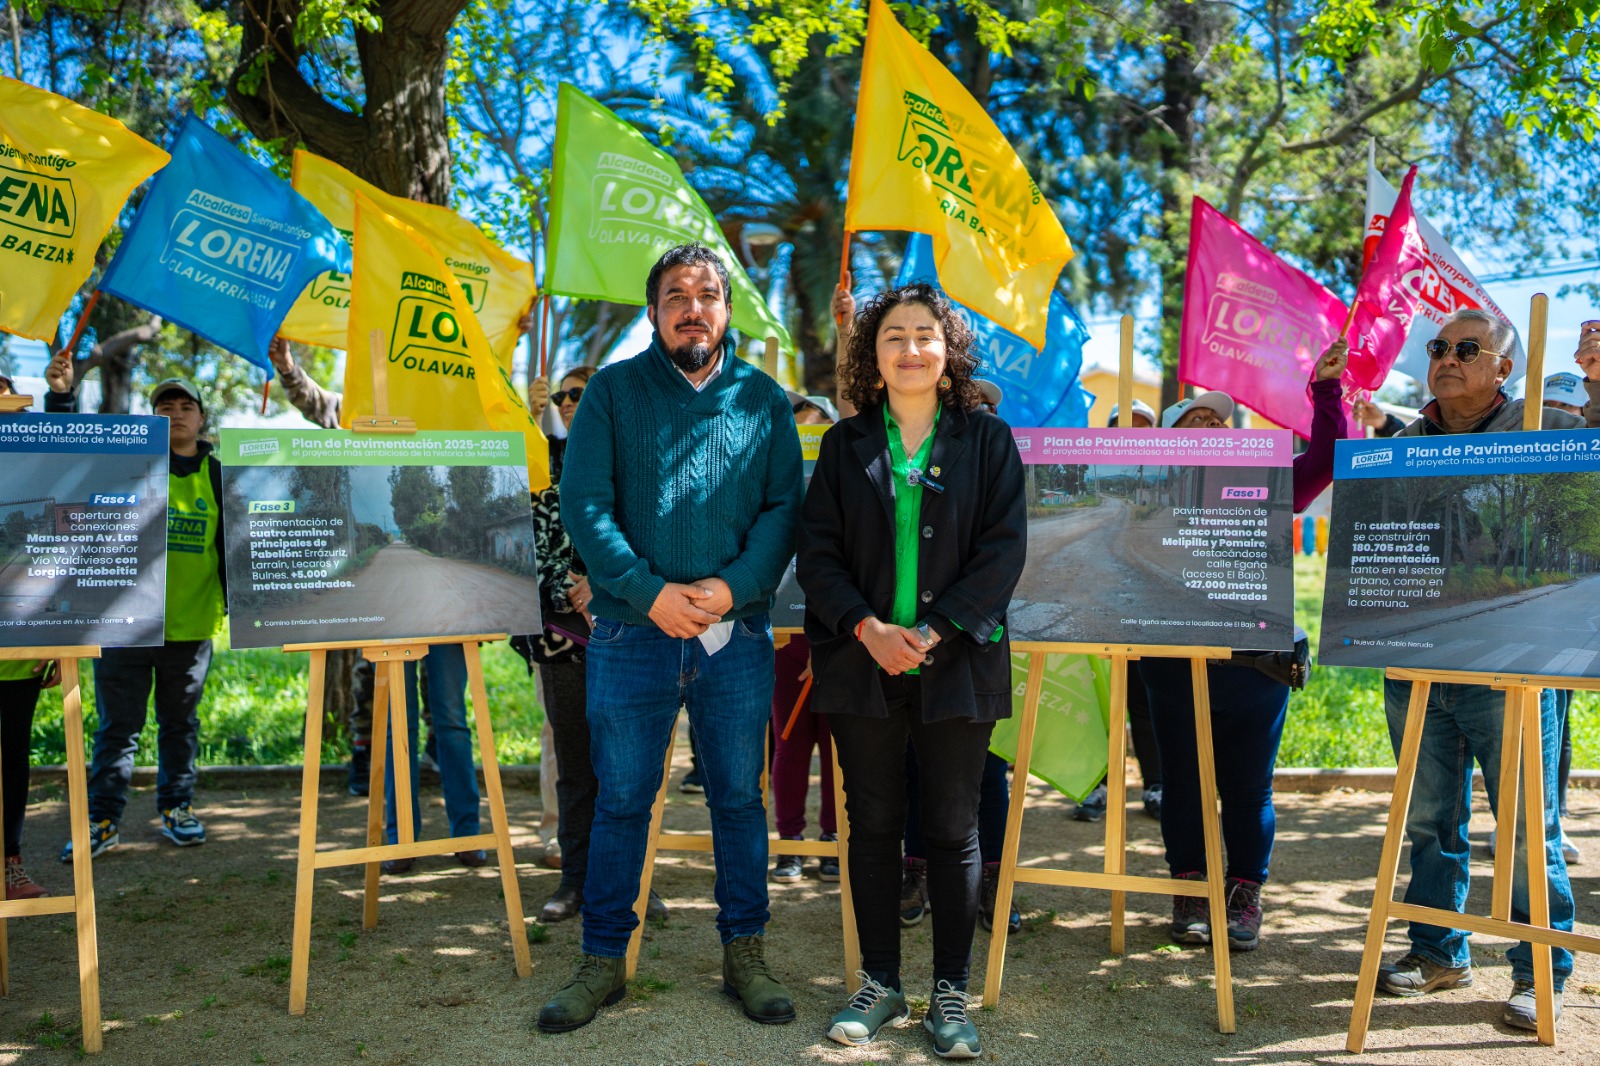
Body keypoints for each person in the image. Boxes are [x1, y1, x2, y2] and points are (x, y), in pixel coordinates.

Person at [536, 243, 802, 1034]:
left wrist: (730, 589)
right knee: (621, 801)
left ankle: (745, 953)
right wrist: (651, 594)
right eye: (677, 293)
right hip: (629, 633)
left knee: (736, 800)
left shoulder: (764, 400)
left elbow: (783, 511)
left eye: (709, 293)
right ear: (653, 310)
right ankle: (602, 960)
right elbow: (585, 505)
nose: (694, 305)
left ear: (727, 311)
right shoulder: (615, 392)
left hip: (737, 634)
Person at [799, 282, 1026, 1058]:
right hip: (862, 663)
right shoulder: (844, 443)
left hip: (956, 662)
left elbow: (1003, 555)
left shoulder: (988, 441)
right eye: (893, 335)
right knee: (873, 828)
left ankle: (950, 996)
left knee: (955, 831)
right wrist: (869, 630)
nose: (910, 348)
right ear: (874, 353)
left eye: (925, 334)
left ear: (948, 349)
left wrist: (928, 632)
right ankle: (880, 984)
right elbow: (819, 557)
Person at [1374, 307, 1591, 1033]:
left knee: (1530, 825)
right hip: (1416, 668)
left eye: (1469, 349)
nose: (1448, 359)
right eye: (1439, 348)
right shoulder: (1401, 444)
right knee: (1431, 821)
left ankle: (1541, 973)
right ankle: (1437, 953)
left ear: (1505, 369)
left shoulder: (1548, 430)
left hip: (1515, 667)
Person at [1138, 341, 1349, 958]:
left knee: (1248, 787)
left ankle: (1243, 894)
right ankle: (1189, 892)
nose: (1212, 427)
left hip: (1256, 666)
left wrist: (1327, 391)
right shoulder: (1144, 494)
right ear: (1165, 444)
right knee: (1182, 783)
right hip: (1172, 663)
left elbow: (1330, 457)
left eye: (1220, 421)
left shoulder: (1267, 483)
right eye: (1195, 421)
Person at [64, 377, 226, 861]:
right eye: (164, 405)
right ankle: (104, 819)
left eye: (185, 405)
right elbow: (65, 458)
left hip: (190, 626)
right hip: (124, 624)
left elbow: (235, 551)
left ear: (201, 418)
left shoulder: (220, 475)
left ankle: (177, 808)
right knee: (118, 728)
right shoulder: (128, 468)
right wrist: (61, 399)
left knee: (180, 725)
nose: (175, 413)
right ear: (150, 417)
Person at [1, 351, 75, 897]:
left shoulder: (29, 462)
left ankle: (10, 861)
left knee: (11, 760)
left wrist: (61, 398)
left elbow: (70, 455)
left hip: (18, 654)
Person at [1074, 398, 1163, 825]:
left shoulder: (1160, 480)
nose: (1134, 431)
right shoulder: (1096, 476)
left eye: (1143, 424)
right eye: (1124, 424)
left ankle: (1155, 785)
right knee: (1099, 705)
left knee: (1146, 704)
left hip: (1150, 615)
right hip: (1098, 610)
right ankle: (1096, 785)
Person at [770, 395, 838, 885]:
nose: (805, 440)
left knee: (838, 747)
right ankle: (789, 843)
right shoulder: (774, 486)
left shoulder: (843, 487)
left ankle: (834, 843)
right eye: (797, 431)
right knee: (790, 744)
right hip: (783, 644)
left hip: (839, 640)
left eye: (815, 430)